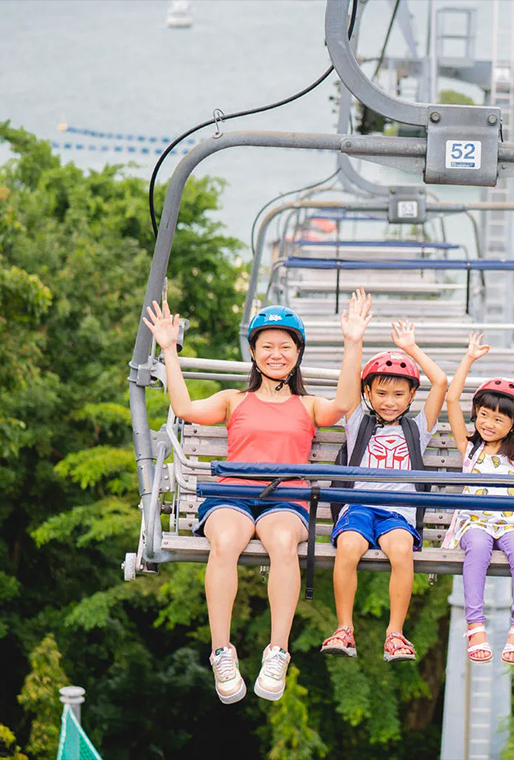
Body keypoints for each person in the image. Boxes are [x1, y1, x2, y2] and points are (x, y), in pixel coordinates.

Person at [144, 297, 357, 704]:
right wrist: (169, 349)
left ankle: (277, 651)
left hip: (286, 499)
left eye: (285, 347)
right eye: (267, 347)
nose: (276, 355)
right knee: (225, 541)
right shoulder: (233, 400)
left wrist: (353, 343)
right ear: (255, 354)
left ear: (297, 355)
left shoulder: (307, 405)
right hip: (234, 495)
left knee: (282, 543)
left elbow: (343, 404)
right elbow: (184, 407)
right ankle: (221, 651)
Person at [319, 289, 448, 663]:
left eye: (398, 395)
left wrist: (411, 347)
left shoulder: (417, 429)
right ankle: (344, 628)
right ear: (369, 394)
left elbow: (439, 383)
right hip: (359, 506)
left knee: (401, 551)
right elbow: (346, 391)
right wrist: (353, 340)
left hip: (398, 512)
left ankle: (396, 632)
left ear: (410, 399)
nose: (389, 401)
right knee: (348, 548)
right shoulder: (357, 422)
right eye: (381, 393)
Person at [443, 333, 514, 665]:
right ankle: (475, 625)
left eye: (498, 419)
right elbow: (451, 400)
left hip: (511, 523)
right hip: (474, 522)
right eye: (483, 415)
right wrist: (469, 359)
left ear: (513, 425)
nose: (488, 424)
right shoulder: (470, 447)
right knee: (476, 549)